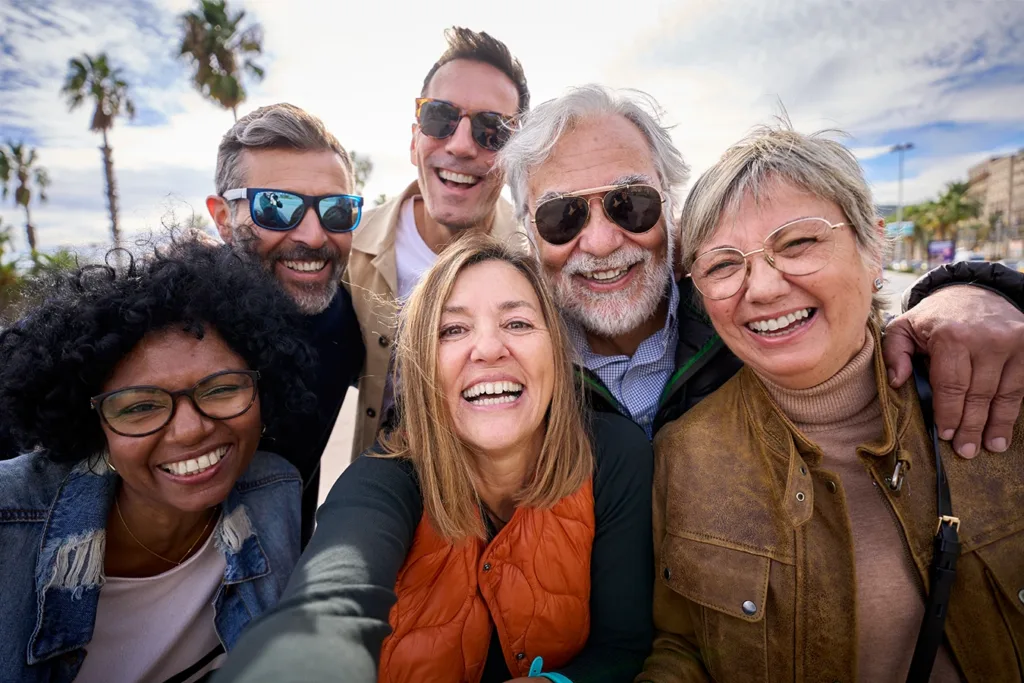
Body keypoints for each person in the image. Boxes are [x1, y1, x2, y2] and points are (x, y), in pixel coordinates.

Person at [640, 123, 1024, 682]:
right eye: (723, 265)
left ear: (873, 250)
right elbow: (684, 642)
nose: (764, 288)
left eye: (798, 243)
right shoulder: (684, 452)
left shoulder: (1000, 391)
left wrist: (985, 290)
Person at [213, 235, 655, 683]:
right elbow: (331, 597)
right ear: (423, 368)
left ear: (558, 353)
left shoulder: (612, 455)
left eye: (517, 323)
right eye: (453, 330)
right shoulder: (383, 482)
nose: (488, 348)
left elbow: (622, 647)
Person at [498, 84, 1024, 453]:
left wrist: (967, 290)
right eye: (560, 215)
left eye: (629, 203)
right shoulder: (499, 363)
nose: (602, 240)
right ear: (528, 234)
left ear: (672, 214)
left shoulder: (741, 314)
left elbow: (844, 319)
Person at [0, 239, 316, 683]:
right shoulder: (9, 520)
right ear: (94, 426)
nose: (190, 430)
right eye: (139, 407)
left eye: (222, 389)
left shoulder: (273, 490)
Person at [347, 26, 528, 460]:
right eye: (440, 118)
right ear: (415, 141)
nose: (462, 145)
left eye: (493, 131)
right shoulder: (346, 251)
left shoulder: (538, 261)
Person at [206, 102, 366, 544]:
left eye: (336, 210)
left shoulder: (351, 327)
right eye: (276, 207)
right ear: (223, 217)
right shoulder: (163, 329)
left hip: (284, 581)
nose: (313, 236)